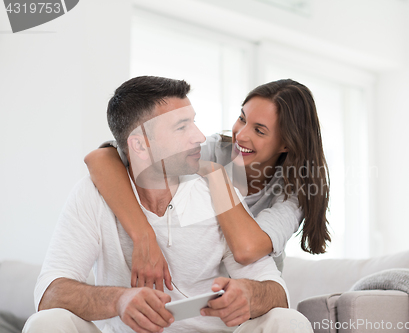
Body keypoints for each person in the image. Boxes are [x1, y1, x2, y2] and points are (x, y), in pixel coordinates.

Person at [23, 76, 313, 333]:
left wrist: (249, 294)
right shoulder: (94, 192)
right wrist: (120, 297)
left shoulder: (223, 187)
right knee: (45, 324)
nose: (200, 136)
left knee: (289, 322)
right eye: (182, 126)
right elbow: (49, 294)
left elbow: (273, 286)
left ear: (286, 143)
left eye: (194, 122)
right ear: (139, 145)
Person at [84, 79, 331, 290]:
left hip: (249, 293)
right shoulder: (215, 149)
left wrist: (216, 176)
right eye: (242, 118)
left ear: (286, 143)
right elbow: (100, 158)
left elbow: (246, 249)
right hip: (198, 289)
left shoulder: (293, 195)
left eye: (259, 130)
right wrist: (143, 236)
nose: (241, 135)